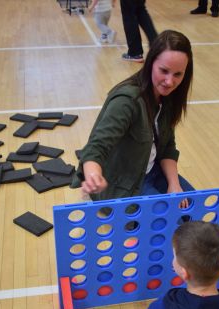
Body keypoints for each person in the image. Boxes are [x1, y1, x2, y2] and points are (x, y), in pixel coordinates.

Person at [71, 30, 194, 206]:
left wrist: (174, 185)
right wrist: (93, 174)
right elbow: (96, 147)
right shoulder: (127, 101)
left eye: (178, 74)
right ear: (151, 63)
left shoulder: (168, 97)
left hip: (152, 171)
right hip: (124, 183)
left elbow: (167, 147)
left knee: (194, 209)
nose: (169, 81)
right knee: (167, 225)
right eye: (164, 71)